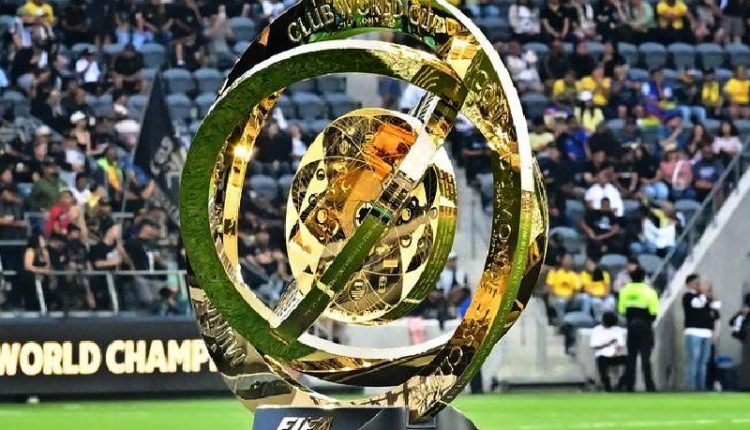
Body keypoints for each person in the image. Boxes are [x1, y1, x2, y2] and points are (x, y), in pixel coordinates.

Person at [618, 267, 659, 392]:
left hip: (631, 326)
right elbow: (654, 313)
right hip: (645, 326)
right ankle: (649, 386)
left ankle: (630, 386)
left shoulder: (624, 291)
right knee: (646, 358)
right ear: (643, 277)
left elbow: (621, 311)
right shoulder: (650, 292)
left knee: (631, 358)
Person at [682, 273, 714, 391]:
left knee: (703, 362)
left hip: (706, 332)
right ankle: (691, 387)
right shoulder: (688, 297)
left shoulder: (704, 298)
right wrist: (703, 294)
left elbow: (715, 308)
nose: (698, 285)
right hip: (694, 332)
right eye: (696, 283)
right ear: (689, 284)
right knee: (693, 361)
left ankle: (701, 387)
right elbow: (697, 304)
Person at [590, 311, 627, 392]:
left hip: (615, 355)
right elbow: (594, 346)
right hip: (602, 355)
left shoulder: (617, 330)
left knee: (630, 361)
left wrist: (616, 352)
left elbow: (620, 344)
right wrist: (606, 344)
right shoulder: (596, 330)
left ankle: (621, 383)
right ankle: (607, 385)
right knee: (602, 364)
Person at [545, 253, 581, 325]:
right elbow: (549, 287)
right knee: (560, 302)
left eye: (569, 260)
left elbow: (577, 290)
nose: (567, 262)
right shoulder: (554, 272)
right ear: (562, 261)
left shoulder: (574, 275)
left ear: (572, 262)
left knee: (584, 298)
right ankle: (562, 322)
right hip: (555, 297)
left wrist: (570, 297)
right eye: (566, 259)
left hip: (569, 298)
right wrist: (557, 296)